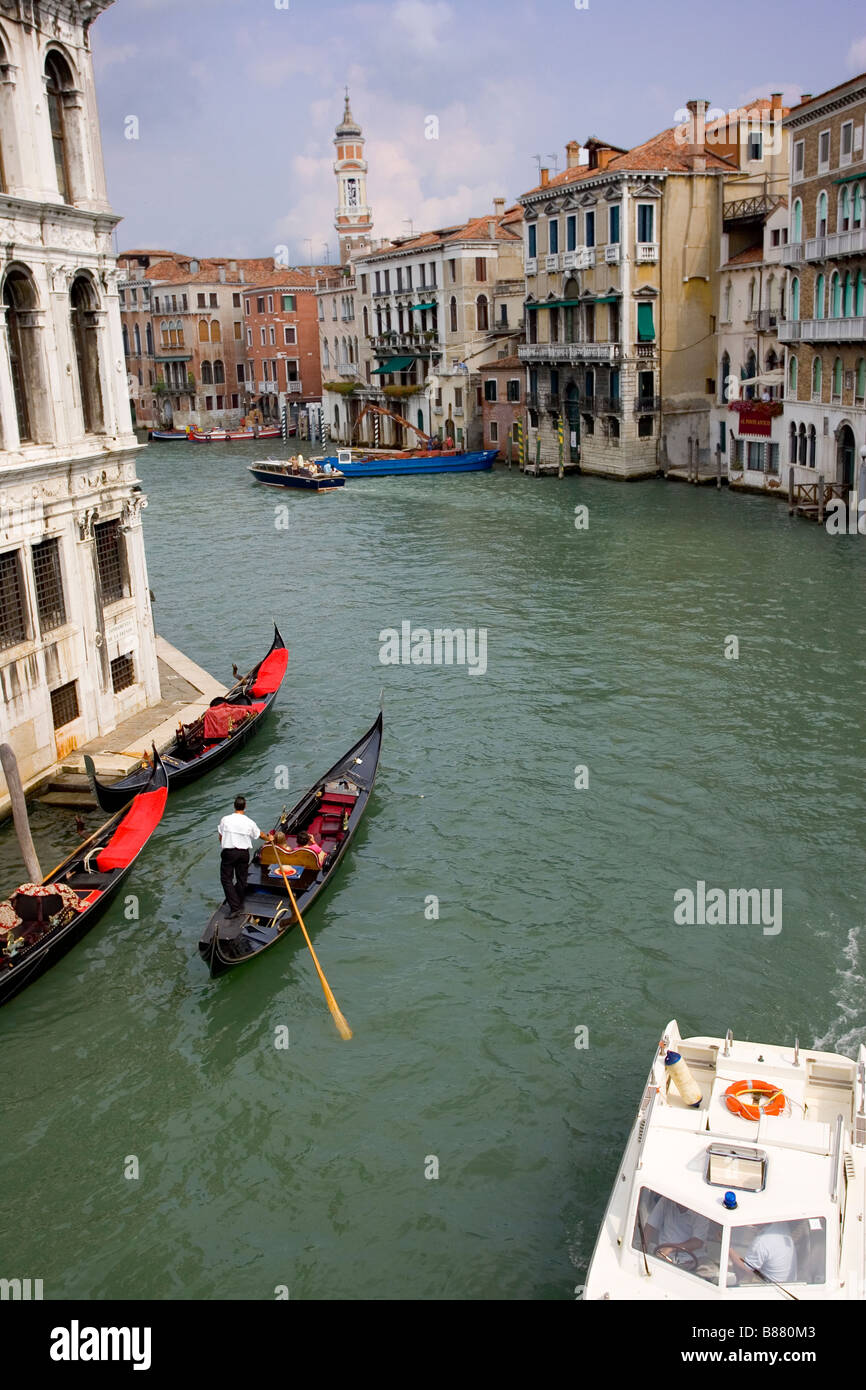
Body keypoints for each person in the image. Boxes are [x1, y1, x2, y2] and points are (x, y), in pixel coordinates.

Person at [218, 795, 272, 916]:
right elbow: (261, 835)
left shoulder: (225, 819)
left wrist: (225, 845)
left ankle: (235, 907)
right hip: (243, 854)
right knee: (242, 879)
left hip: (229, 852)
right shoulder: (249, 822)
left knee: (226, 879)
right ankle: (239, 902)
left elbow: (220, 836)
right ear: (245, 806)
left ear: (234, 806)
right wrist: (270, 839)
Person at [644, 1195, 709, 1261]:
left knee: (711, 1270)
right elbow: (650, 1226)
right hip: (664, 1256)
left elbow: (697, 1242)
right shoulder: (665, 1201)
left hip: (693, 1259)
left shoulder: (701, 1210)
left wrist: (670, 1248)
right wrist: (643, 1249)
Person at [729, 1223, 796, 1285]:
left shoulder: (761, 1242)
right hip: (791, 1284)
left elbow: (747, 1269)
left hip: (771, 1290)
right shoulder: (780, 1224)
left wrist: (727, 1247)